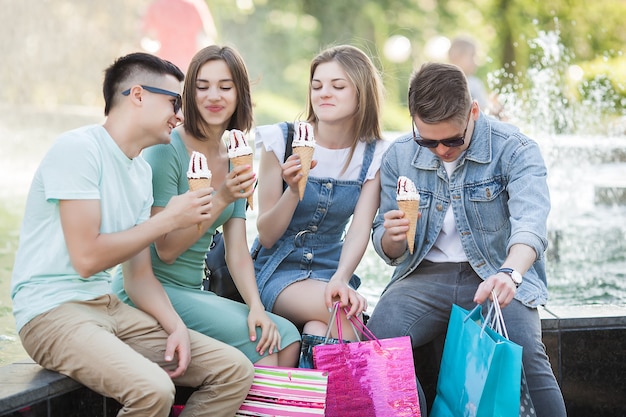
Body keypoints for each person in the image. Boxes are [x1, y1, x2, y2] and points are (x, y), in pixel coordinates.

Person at [10, 52, 255, 417]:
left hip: (107, 309)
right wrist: (168, 219)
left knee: (233, 370)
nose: (180, 114)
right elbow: (87, 258)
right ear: (137, 95)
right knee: (154, 390)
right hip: (50, 312)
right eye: (174, 102)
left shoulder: (139, 173)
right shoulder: (79, 150)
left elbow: (139, 276)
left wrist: (176, 327)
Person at [366, 62, 567, 417]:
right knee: (377, 346)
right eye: (427, 140)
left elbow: (531, 225)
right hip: (423, 277)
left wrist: (510, 274)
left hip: (495, 272)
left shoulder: (515, 150)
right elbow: (387, 246)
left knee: (525, 353)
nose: (441, 150)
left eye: (453, 140)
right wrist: (393, 238)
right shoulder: (399, 154)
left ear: (474, 111)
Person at [112, 45, 301, 367]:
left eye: (225, 87)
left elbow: (237, 251)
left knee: (287, 336)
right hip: (152, 290)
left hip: (192, 291)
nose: (214, 96)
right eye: (202, 87)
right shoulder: (167, 149)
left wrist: (255, 305)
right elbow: (166, 250)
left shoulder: (235, 159)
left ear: (239, 94)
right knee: (266, 347)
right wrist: (222, 198)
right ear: (188, 94)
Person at [252, 44, 389, 367]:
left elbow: (359, 230)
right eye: (317, 86)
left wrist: (342, 277)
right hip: (278, 268)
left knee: (322, 331)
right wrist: (294, 189)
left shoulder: (373, 153)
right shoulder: (280, 140)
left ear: (362, 93)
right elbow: (266, 235)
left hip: (331, 271)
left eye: (337, 86)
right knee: (341, 317)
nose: (324, 93)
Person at [141, 0, 217, 72]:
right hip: (190, 67)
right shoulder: (195, 4)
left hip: (163, 67)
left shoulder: (157, 5)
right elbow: (208, 36)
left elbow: (143, 37)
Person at [448, 35, 490, 111]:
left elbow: (484, 110)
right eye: (472, 56)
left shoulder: (475, 83)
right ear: (457, 57)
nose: (476, 61)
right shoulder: (443, 82)